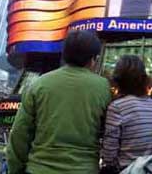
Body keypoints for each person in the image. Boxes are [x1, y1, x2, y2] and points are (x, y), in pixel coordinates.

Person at [7, 30, 111, 174]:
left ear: (65, 55)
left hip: (39, 169)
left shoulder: (39, 84)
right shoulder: (103, 87)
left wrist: (16, 169)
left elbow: (19, 133)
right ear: (93, 59)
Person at [101, 55, 152, 173]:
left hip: (127, 169)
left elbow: (109, 154)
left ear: (119, 79)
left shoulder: (117, 107)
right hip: (151, 170)